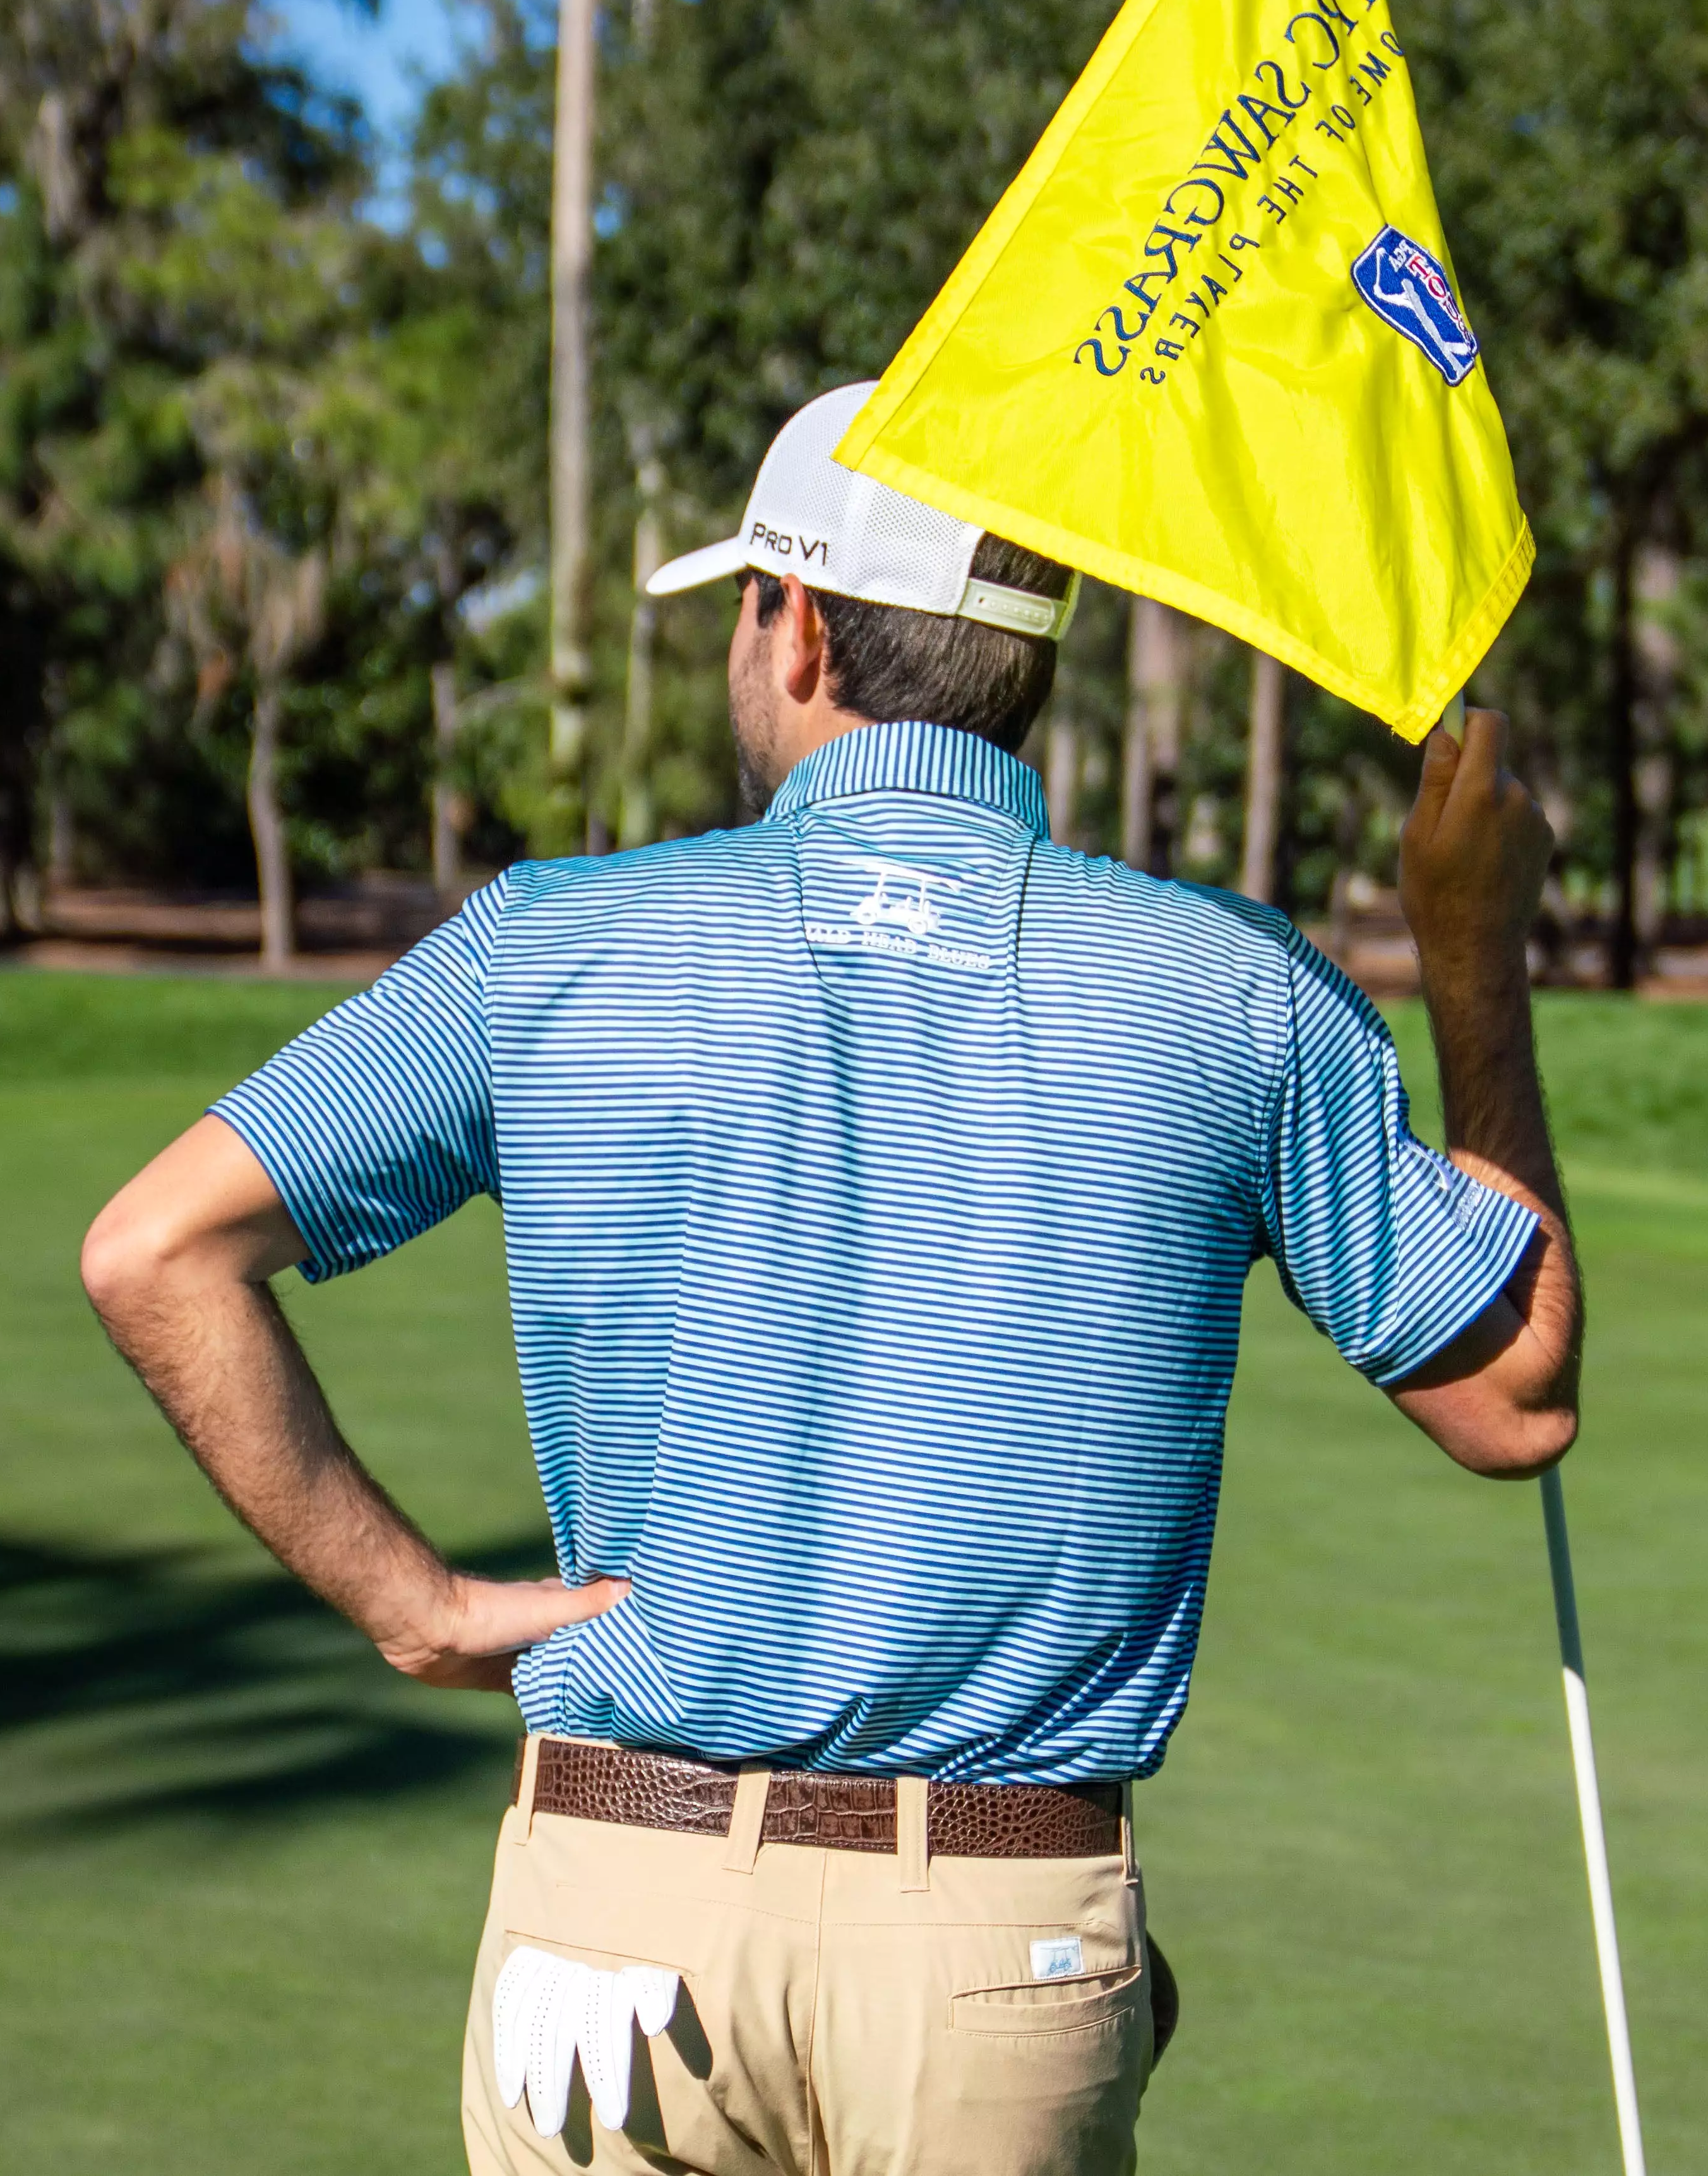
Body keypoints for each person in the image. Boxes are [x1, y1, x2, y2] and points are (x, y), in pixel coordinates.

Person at [81, 381, 1580, 2176]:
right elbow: (1513, 1391)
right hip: (999, 1954)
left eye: (742, 603)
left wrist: (417, 1606)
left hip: (611, 1935)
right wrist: (1472, 955)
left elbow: (157, 1248)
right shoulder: (1233, 990)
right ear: (1025, 660)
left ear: (793, 625)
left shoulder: (551, 941)